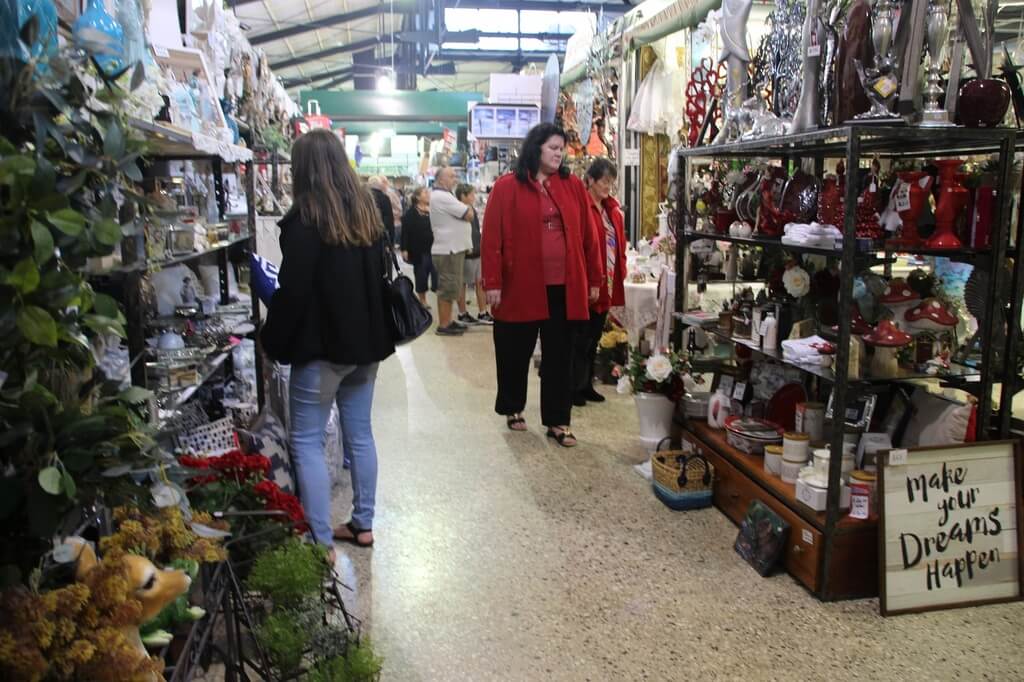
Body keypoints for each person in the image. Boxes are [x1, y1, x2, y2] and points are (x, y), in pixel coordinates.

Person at [261, 128, 394, 561]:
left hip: (321, 350)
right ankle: (364, 523)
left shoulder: (305, 222)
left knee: (306, 441)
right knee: (360, 433)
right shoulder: (369, 213)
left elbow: (293, 293)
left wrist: (272, 337)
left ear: (303, 170)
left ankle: (320, 542)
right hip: (367, 345)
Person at [481, 123, 602, 448]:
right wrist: (491, 281)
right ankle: (512, 407)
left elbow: (590, 236)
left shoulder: (572, 185)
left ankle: (558, 420)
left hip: (564, 286)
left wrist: (594, 278)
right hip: (519, 284)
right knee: (514, 351)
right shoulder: (507, 187)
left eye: (561, 148)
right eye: (552, 147)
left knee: (560, 356)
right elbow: (491, 237)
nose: (558, 153)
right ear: (535, 149)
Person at [573, 158, 627, 406]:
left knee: (593, 337)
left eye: (611, 182)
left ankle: (586, 385)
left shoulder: (610, 209)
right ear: (591, 180)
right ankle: (574, 386)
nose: (608, 186)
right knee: (580, 339)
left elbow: (619, 245)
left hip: (607, 282)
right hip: (586, 283)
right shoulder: (580, 205)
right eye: (604, 180)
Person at [430, 166, 474, 336]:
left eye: (455, 176)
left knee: (451, 287)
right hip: (448, 250)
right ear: (441, 179)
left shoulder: (445, 196)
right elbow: (468, 214)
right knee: (447, 289)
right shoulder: (442, 197)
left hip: (451, 249)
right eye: (451, 176)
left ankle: (448, 320)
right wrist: (468, 207)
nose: (454, 179)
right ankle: (444, 325)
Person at [455, 183, 493, 325]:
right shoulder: (458, 210)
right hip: (465, 251)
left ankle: (482, 312)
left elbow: (476, 229)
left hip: (477, 249)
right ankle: (462, 312)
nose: (473, 197)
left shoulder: (472, 210)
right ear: (462, 196)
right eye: (471, 194)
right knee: (462, 283)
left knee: (480, 282)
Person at [400, 186, 437, 309]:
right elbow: (405, 232)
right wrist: (404, 249)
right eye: (425, 193)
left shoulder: (434, 210)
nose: (428, 194)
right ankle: (422, 300)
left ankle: (439, 297)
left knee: (436, 275)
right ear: (417, 197)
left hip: (435, 249)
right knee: (421, 275)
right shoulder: (410, 214)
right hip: (419, 251)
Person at [367, 176, 396, 246]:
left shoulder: (362, 197)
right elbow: (389, 218)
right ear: (379, 185)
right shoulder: (384, 198)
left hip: (366, 233)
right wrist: (391, 239)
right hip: (380, 233)